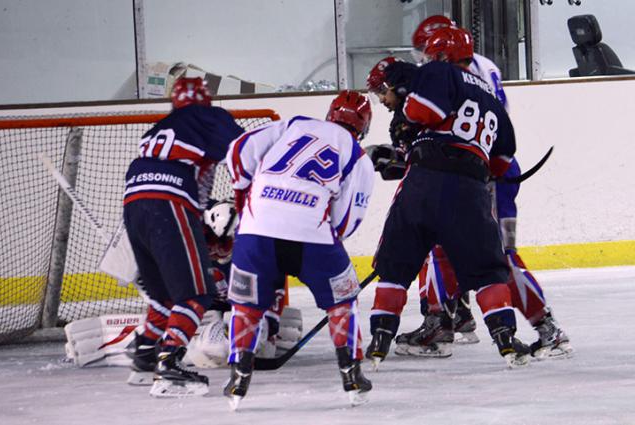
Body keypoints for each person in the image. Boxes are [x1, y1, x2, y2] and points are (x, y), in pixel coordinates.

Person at [393, 17, 572, 360]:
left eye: (427, 51)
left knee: (498, 257)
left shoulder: (451, 74)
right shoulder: (478, 68)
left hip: (481, 174)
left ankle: (548, 330)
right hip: (481, 169)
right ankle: (442, 321)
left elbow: (442, 120)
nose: (424, 59)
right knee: (442, 246)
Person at [364, 27, 531, 371]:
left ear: (441, 56)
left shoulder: (437, 72)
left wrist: (409, 126)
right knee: (488, 271)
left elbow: (423, 112)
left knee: (396, 264)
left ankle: (380, 339)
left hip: (425, 181)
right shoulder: (493, 100)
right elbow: (501, 161)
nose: (424, 63)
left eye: (428, 56)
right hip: (471, 189)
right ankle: (505, 341)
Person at [223, 90, 375, 409]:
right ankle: (351, 374)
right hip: (311, 235)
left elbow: (238, 150)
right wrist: (323, 230)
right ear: (363, 126)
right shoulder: (357, 154)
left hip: (255, 232)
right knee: (343, 300)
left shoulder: (294, 124)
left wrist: (246, 194)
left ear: (330, 113)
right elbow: (348, 219)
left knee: (247, 305)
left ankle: (239, 376)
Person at [122, 77, 245, 397]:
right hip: (170, 201)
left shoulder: (158, 127)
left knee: (163, 295)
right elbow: (247, 152)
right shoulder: (209, 116)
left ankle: (145, 355)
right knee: (195, 295)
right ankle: (169, 366)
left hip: (133, 200)